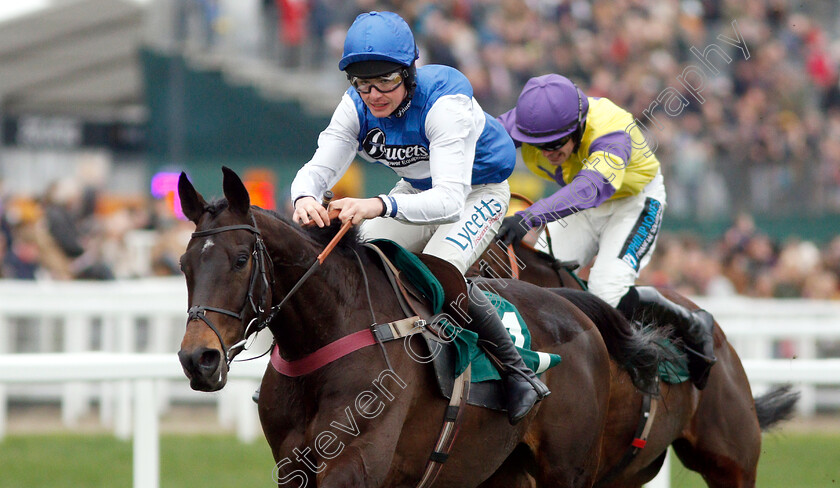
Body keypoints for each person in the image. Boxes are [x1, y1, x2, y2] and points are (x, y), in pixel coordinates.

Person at [290, 11, 549, 423]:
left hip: (474, 194)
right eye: (361, 81)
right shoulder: (354, 104)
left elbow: (448, 201)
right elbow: (320, 167)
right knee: (357, 259)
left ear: (410, 72)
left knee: (439, 268)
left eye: (385, 80)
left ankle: (518, 374)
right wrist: (303, 196)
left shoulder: (445, 103)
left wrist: (376, 204)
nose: (373, 94)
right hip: (415, 192)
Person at [496, 74, 717, 389]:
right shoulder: (530, 121)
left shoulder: (611, 129)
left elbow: (590, 189)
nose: (546, 152)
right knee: (535, 280)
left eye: (555, 143)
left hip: (633, 202)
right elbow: (480, 135)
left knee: (606, 290)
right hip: (582, 203)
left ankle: (693, 324)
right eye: (538, 144)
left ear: (578, 126)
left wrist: (531, 216)